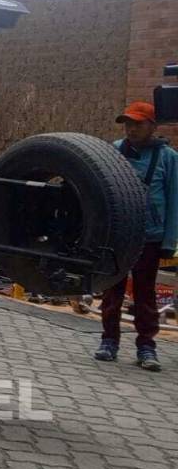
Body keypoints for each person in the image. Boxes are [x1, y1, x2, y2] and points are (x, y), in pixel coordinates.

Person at [95, 101, 178, 371]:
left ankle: (146, 347)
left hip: (150, 237)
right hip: (118, 235)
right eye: (128, 123)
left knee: (145, 293)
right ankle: (109, 341)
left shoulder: (169, 158)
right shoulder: (114, 151)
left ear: (152, 126)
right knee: (112, 289)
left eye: (138, 123)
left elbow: (174, 201)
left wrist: (169, 241)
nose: (131, 128)